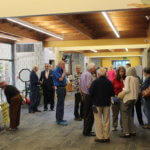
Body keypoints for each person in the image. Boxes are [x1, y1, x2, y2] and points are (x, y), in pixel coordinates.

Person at [89, 68, 115, 143]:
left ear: (98, 74)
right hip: (106, 103)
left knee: (98, 120)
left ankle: (100, 137)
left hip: (97, 104)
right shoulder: (109, 82)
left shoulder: (95, 82)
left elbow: (91, 92)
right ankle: (106, 137)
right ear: (105, 74)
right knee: (106, 120)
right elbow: (112, 94)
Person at [120, 67, 139, 138]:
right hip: (134, 99)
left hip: (127, 99)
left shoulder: (128, 77)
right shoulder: (136, 79)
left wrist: (122, 90)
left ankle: (126, 133)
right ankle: (132, 131)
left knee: (125, 116)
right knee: (130, 115)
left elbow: (127, 89)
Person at [80, 63, 96, 136]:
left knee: (86, 114)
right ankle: (87, 131)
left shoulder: (83, 74)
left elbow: (80, 85)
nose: (95, 69)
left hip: (84, 95)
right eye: (94, 68)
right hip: (89, 96)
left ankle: (86, 130)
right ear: (91, 68)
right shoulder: (89, 75)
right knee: (90, 115)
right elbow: (89, 86)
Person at [53, 61, 67, 126]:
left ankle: (60, 118)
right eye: (63, 64)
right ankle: (59, 120)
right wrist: (64, 72)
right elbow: (60, 79)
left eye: (64, 64)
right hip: (60, 88)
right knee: (60, 105)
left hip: (63, 88)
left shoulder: (61, 70)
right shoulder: (56, 70)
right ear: (59, 64)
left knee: (61, 104)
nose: (64, 65)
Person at [112, 66, 126, 131]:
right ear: (118, 72)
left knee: (123, 113)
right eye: (121, 71)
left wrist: (123, 81)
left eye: (123, 71)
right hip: (116, 98)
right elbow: (111, 89)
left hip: (124, 98)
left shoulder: (126, 79)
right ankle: (114, 126)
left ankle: (123, 126)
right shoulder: (114, 80)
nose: (122, 73)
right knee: (115, 113)